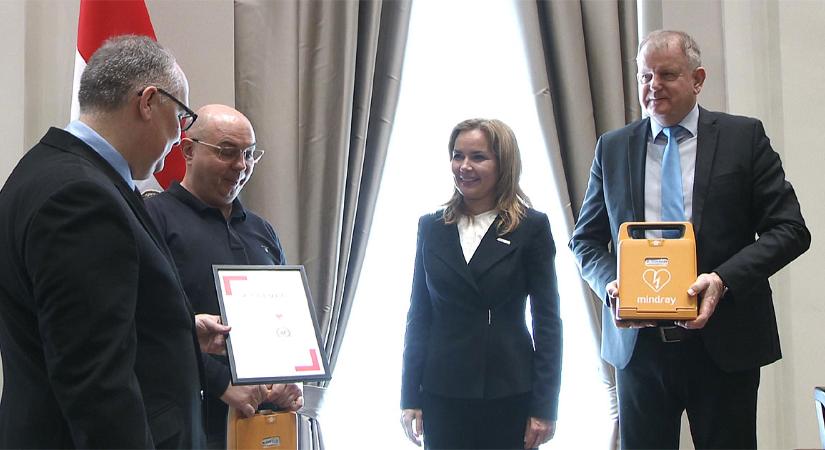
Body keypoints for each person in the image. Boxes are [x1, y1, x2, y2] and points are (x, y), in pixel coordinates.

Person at [569, 30, 810, 449]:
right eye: (645, 76)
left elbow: (790, 230)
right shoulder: (613, 147)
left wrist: (722, 278)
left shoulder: (743, 138)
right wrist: (612, 285)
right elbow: (585, 242)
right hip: (639, 349)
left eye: (667, 74)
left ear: (698, 79)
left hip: (724, 343)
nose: (653, 86)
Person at [0, 35, 230, 448]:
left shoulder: (43, 170)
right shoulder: (81, 198)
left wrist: (176, 328)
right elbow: (95, 382)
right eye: (180, 119)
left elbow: (79, 325)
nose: (180, 139)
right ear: (147, 102)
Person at [144, 104, 303, 449]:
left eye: (249, 155)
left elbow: (286, 321)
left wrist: (292, 378)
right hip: (187, 422)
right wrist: (220, 383)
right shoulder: (152, 220)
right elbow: (149, 327)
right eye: (227, 152)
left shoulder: (262, 231)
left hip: (265, 424)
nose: (241, 166)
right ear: (188, 149)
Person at [399, 118, 562, 449]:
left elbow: (547, 323)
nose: (465, 166)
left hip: (509, 391)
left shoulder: (531, 227)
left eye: (478, 157)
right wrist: (409, 396)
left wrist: (545, 407)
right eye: (458, 156)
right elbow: (419, 315)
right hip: (442, 391)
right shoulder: (431, 226)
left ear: (503, 163)